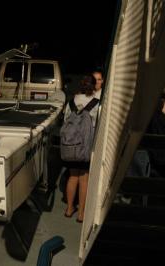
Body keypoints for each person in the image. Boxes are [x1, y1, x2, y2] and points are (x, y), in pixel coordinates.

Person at [63, 73, 103, 222]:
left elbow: (66, 119)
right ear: (94, 86)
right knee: (84, 179)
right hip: (86, 144)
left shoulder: (72, 101)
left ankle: (69, 209)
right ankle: (81, 214)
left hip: (71, 144)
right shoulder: (96, 102)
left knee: (72, 176)